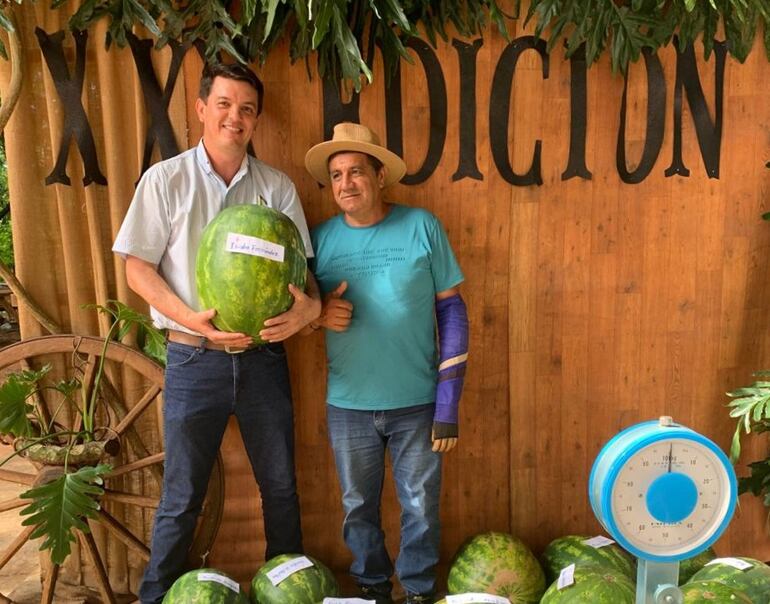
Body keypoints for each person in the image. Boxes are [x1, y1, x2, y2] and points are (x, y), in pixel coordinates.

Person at [112, 61, 321, 604]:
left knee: (280, 488)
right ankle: (154, 598)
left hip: (263, 360)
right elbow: (136, 267)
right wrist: (188, 318)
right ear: (202, 108)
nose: (236, 117)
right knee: (182, 494)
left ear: (256, 120)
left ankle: (289, 593)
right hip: (192, 359)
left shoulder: (275, 188)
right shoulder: (165, 180)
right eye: (224, 104)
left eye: (247, 109)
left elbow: (307, 279)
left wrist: (305, 315)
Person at [303, 122, 469, 604]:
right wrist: (317, 316)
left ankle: (417, 592)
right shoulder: (320, 241)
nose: (345, 184)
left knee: (421, 506)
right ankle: (372, 590)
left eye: (356, 171)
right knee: (357, 507)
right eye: (335, 176)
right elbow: (298, 308)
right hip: (349, 403)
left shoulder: (422, 227)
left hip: (417, 402)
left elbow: (453, 312)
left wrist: (448, 403)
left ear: (380, 177)